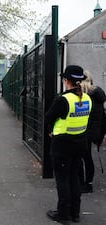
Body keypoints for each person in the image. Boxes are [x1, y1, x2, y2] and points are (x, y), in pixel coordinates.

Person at [45, 65, 92, 224]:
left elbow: (48, 118)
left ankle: (64, 215)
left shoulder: (63, 99)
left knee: (63, 180)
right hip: (80, 143)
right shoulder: (87, 98)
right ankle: (75, 212)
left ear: (66, 81)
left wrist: (51, 131)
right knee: (74, 177)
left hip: (62, 145)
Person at [79, 71, 106, 193]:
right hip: (94, 131)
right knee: (88, 157)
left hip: (82, 130)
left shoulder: (83, 95)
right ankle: (88, 182)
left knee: (80, 157)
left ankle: (80, 183)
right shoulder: (98, 94)